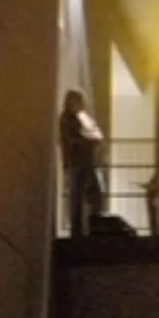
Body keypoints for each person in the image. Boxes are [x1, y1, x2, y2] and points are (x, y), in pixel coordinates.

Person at [59, 89, 106, 228]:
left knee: (89, 194)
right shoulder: (68, 119)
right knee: (77, 196)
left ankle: (90, 223)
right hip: (77, 162)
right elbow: (71, 140)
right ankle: (80, 226)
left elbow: (97, 135)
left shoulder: (80, 117)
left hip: (84, 161)